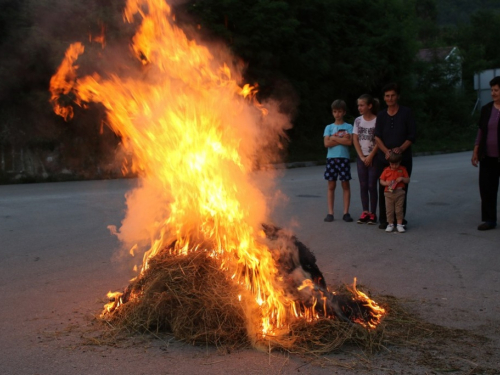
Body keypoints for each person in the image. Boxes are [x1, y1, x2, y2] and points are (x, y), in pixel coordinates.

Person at [374, 83, 416, 229]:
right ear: (384, 98)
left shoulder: (406, 112)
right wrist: (386, 151)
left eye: (392, 95)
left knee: (400, 188)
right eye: (387, 96)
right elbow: (377, 136)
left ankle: (399, 220)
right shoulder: (381, 115)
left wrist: (400, 149)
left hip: (402, 159)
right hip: (383, 159)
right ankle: (385, 220)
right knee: (383, 188)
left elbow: (412, 135)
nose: (390, 98)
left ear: (398, 96)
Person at [471, 76, 500, 231]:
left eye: (496, 90)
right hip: (487, 156)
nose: (493, 93)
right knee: (487, 188)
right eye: (492, 90)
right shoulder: (487, 109)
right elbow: (481, 131)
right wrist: (476, 150)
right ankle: (489, 220)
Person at [323, 99, 354, 223]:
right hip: (331, 159)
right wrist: (340, 138)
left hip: (344, 159)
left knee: (345, 184)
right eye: (335, 111)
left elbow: (349, 142)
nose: (337, 114)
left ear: (344, 112)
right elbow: (326, 143)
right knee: (331, 185)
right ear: (332, 113)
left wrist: (334, 138)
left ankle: (346, 212)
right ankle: (330, 212)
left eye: (340, 111)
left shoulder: (348, 127)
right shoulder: (329, 127)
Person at [353, 94, 379, 225]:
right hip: (361, 157)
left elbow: (379, 140)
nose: (359, 107)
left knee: (371, 185)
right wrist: (362, 156)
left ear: (369, 106)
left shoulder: (377, 120)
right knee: (363, 185)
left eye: (362, 105)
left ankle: (373, 213)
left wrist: (370, 156)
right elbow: (355, 139)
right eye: (358, 105)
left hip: (373, 157)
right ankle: (365, 211)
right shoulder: (358, 120)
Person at [379, 152, 410, 233]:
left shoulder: (402, 169)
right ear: (389, 162)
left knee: (399, 209)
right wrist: (386, 183)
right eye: (392, 164)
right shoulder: (386, 170)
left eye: (396, 164)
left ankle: (399, 224)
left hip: (399, 192)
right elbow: (381, 180)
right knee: (389, 210)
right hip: (388, 193)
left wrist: (402, 178)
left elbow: (408, 180)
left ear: (399, 162)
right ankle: (390, 224)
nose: (394, 166)